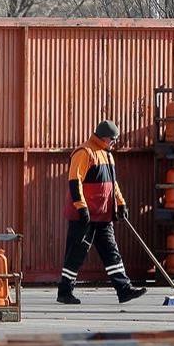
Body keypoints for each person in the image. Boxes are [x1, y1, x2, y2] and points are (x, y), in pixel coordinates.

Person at [57, 120, 147, 305]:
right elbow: (75, 182)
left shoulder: (107, 155)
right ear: (104, 137)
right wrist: (81, 207)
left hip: (103, 214)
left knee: (111, 251)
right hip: (85, 215)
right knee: (77, 252)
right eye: (113, 139)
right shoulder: (84, 152)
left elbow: (112, 184)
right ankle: (64, 292)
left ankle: (124, 289)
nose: (114, 142)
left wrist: (121, 203)